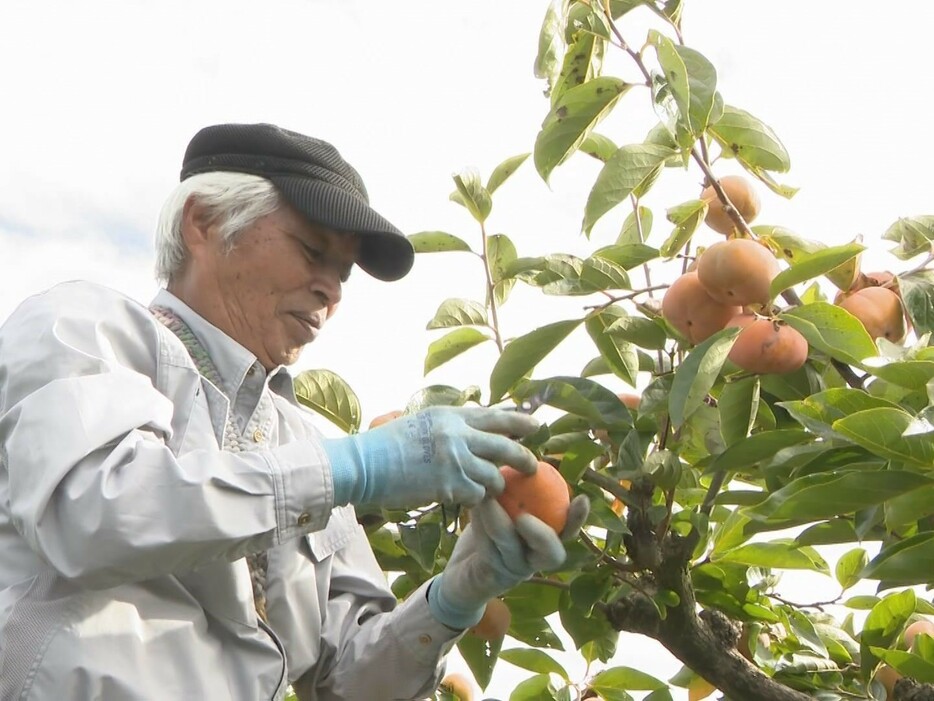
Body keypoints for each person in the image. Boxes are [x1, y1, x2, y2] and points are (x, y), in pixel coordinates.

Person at [0, 123, 588, 700]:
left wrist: (455, 597)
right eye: (313, 252)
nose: (331, 289)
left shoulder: (301, 443)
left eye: (343, 272)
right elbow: (93, 512)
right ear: (202, 221)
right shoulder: (85, 328)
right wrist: (350, 468)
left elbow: (342, 685)